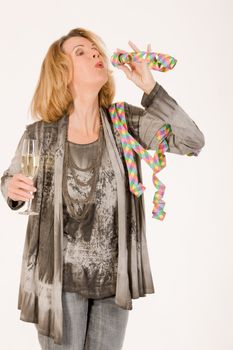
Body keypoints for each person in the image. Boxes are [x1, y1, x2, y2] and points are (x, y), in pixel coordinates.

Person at [0, 27, 205, 350]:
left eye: (95, 49)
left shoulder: (124, 122)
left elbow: (192, 142)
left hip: (113, 282)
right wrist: (11, 187)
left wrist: (150, 88)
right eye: (81, 51)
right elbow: (10, 181)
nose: (95, 53)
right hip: (60, 281)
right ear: (63, 71)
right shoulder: (40, 135)